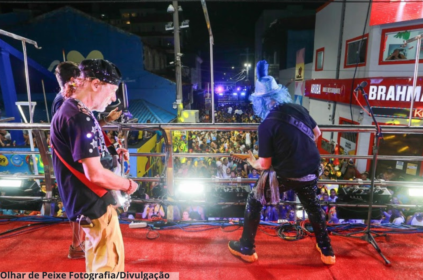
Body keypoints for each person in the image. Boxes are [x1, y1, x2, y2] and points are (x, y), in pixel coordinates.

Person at [228, 60, 335, 265]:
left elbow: (265, 165)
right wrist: (300, 152)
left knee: (254, 200)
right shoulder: (298, 108)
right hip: (311, 170)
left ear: (260, 101)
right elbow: (318, 133)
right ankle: (328, 252)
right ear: (279, 94)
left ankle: (246, 249)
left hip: (286, 175)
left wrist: (252, 161)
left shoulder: (266, 125)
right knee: (313, 207)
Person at [50, 59, 138, 272]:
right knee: (107, 265)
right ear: (96, 84)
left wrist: (111, 151)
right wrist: (127, 184)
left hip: (82, 201)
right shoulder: (80, 117)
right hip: (93, 201)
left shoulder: (72, 109)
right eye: (112, 90)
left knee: (97, 258)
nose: (113, 97)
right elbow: (96, 174)